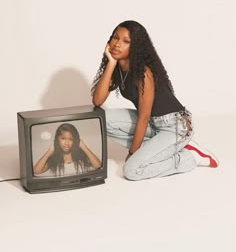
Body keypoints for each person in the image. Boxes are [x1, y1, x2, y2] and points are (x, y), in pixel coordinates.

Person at [91, 20, 219, 181]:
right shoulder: (118, 68)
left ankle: (191, 156)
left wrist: (133, 152)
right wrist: (111, 63)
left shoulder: (143, 73)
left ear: (135, 47)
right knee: (102, 120)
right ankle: (161, 147)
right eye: (115, 38)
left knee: (132, 170)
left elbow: (143, 117)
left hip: (175, 126)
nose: (117, 44)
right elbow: (97, 100)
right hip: (152, 123)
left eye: (126, 41)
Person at [33, 123, 101, 176]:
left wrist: (84, 146)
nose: (66, 143)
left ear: (75, 140)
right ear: (57, 139)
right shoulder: (54, 159)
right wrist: (49, 151)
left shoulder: (81, 156)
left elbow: (98, 166)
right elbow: (36, 171)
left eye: (70, 139)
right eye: (63, 139)